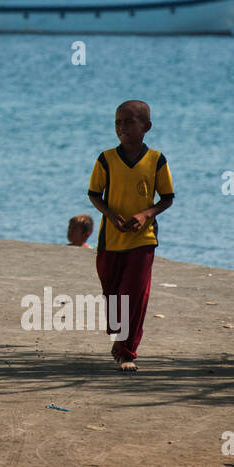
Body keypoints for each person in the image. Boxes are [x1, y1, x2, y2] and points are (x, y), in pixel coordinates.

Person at [87, 100, 174, 372]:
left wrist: (146, 215)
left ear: (146, 127)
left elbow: (167, 198)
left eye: (128, 122)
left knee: (135, 294)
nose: (122, 127)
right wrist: (111, 215)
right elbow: (94, 194)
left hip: (143, 239)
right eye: (117, 122)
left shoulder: (156, 160)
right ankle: (118, 335)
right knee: (112, 293)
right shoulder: (106, 159)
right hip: (110, 240)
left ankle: (127, 352)